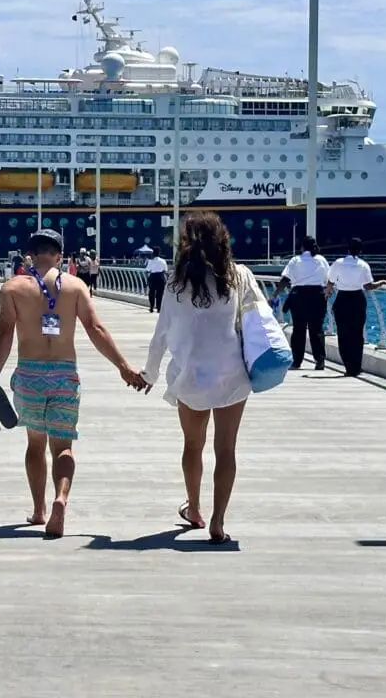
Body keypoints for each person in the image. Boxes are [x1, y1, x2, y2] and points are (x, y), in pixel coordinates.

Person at [0, 229, 146, 538]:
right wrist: (124, 367)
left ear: (29, 255)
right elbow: (95, 328)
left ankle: (38, 510)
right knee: (63, 447)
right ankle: (61, 498)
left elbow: (4, 333)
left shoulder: (12, 288)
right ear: (60, 256)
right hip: (64, 375)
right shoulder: (76, 286)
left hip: (30, 375)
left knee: (35, 444)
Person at [141, 212, 254, 545]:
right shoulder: (239, 276)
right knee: (226, 449)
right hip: (232, 374)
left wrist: (149, 373)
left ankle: (195, 509)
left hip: (191, 375)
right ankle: (218, 521)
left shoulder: (177, 282)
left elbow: (161, 334)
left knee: (193, 445)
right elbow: (259, 319)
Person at [325, 237, 386, 377]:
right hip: (357, 299)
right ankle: (356, 366)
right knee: (357, 334)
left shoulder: (338, 263)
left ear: (347, 249)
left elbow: (330, 280)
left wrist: (327, 291)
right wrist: (382, 282)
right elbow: (368, 286)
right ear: (360, 250)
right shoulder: (363, 265)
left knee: (343, 334)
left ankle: (348, 366)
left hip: (342, 299)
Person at [270, 236, 330, 370]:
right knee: (317, 329)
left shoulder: (295, 260)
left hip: (299, 296)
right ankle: (320, 360)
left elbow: (285, 279)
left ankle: (297, 361)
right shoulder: (321, 260)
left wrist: (274, 295)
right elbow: (328, 279)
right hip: (317, 295)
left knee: (298, 329)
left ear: (302, 247)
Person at [145, 246, 168, 313]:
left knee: (151, 293)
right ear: (159, 253)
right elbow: (165, 270)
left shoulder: (150, 261)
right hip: (161, 277)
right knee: (160, 294)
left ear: (153, 253)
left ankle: (151, 307)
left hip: (153, 277)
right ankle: (159, 308)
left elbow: (147, 270)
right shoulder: (163, 261)